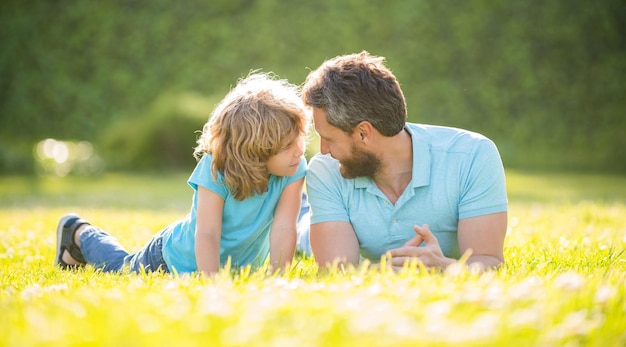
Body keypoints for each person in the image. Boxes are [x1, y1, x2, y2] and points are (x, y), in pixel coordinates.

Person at [54, 72, 310, 276]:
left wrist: (277, 278)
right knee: (121, 269)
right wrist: (212, 282)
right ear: (256, 150)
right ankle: (78, 232)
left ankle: (76, 243)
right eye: (287, 146)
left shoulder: (293, 167)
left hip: (238, 269)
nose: (300, 150)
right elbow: (207, 233)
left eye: (300, 139)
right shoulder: (218, 169)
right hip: (172, 260)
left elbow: (285, 226)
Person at [303, 51, 508, 271]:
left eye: (328, 139)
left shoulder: (472, 155)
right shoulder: (325, 169)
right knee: (303, 235)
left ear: (364, 133)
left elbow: (490, 262)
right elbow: (336, 270)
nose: (323, 150)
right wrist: (396, 271)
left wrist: (445, 267)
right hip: (310, 233)